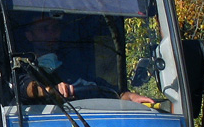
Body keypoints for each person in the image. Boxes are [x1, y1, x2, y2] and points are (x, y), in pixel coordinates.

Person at [16, 13, 154, 104]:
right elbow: (24, 88)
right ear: (30, 36)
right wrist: (48, 91)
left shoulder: (74, 68)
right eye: (45, 29)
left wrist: (127, 97)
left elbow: (104, 90)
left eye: (55, 28)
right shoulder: (23, 67)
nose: (53, 33)